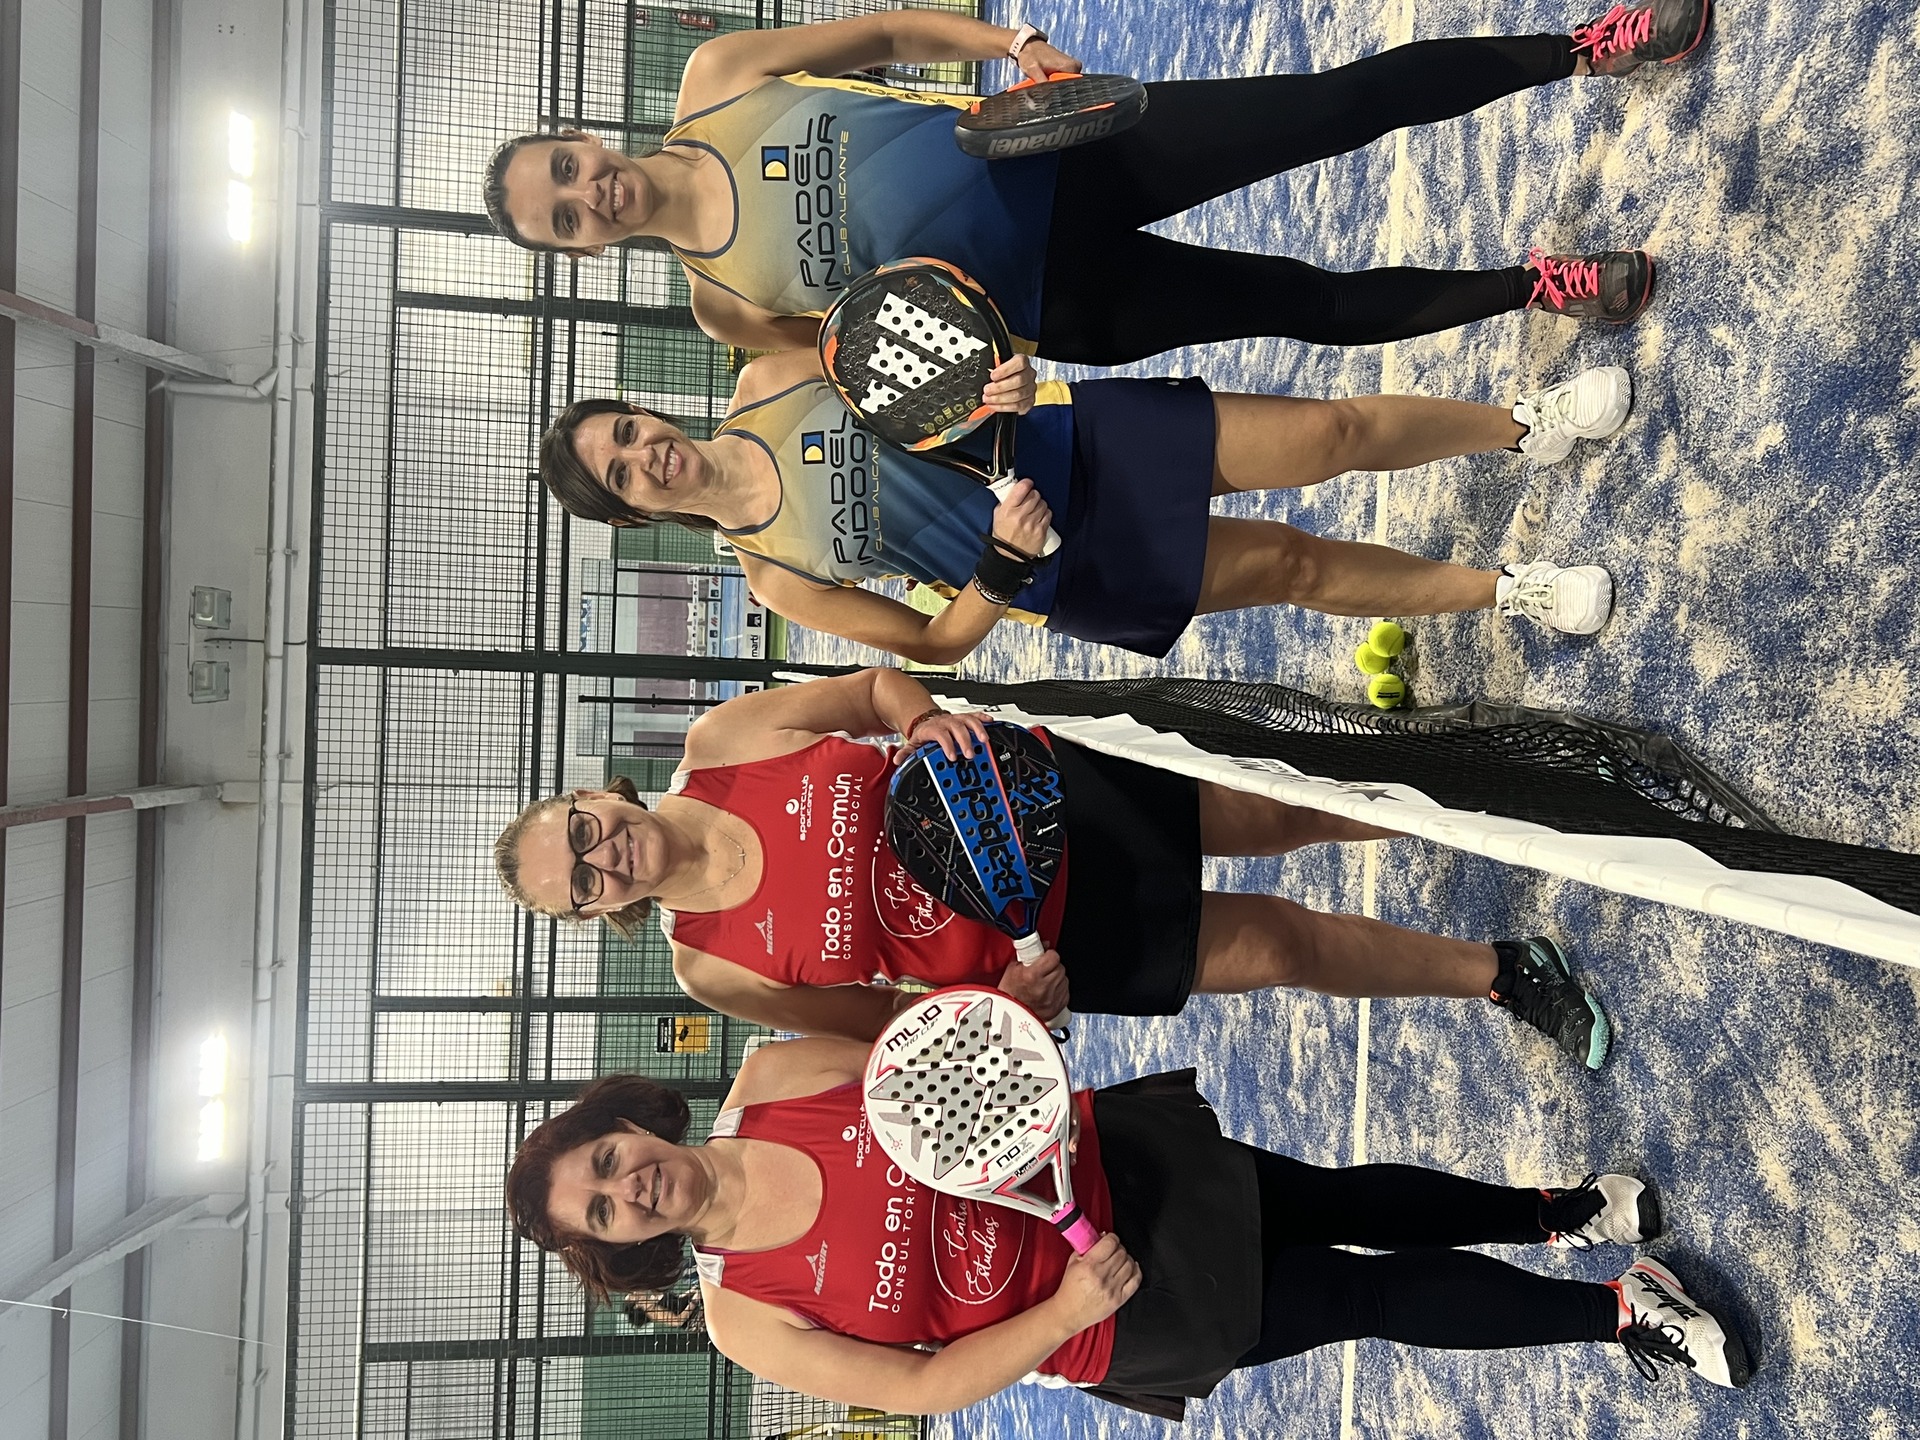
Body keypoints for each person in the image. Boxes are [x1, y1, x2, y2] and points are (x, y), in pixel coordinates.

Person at [504, 1055, 1753, 1419]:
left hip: (1117, 1167)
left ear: (622, 1123)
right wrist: (1065, 1311)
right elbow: (921, 1386)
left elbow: (946, 1055)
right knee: (1361, 1301)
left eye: (605, 1161)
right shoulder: (740, 1315)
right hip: (1114, 1314)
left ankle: (1565, 1212)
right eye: (603, 1214)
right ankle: (1619, 1308)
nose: (631, 1189)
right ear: (618, 1247)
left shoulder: (777, 1078)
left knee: (1345, 1201)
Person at [493, 667, 1613, 1070]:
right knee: (1277, 949)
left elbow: (873, 693)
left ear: (596, 796)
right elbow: (886, 1025)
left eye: (581, 834)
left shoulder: (722, 744)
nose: (602, 860)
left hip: (1048, 806)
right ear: (597, 914)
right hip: (1045, 947)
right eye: (581, 886)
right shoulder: (707, 969)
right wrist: (1007, 1006)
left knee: (1285, 813)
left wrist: (920, 721)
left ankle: (1494, 806)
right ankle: (1508, 973)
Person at [480, 5, 1710, 362]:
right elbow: (884, 367)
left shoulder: (718, 76)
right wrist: (981, 389)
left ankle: (1581, 48)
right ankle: (1540, 288)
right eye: (567, 218)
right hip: (1063, 304)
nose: (593, 194)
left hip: (1069, 147)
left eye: (568, 169)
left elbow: (885, 35)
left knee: (1338, 104)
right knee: (1307, 306)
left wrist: (1014, 44)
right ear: (580, 252)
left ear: (581, 136)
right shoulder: (722, 305)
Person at [536, 349, 1630, 665]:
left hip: (1066, 439)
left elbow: (921, 346)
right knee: (1293, 567)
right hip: (1059, 563)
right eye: (621, 475)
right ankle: (1511, 590)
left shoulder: (772, 376)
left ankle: (1525, 423)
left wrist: (995, 375)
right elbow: (933, 644)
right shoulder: (772, 575)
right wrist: (1003, 569)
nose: (646, 456)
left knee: (1327, 436)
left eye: (626, 431)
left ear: (642, 411)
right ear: (631, 516)